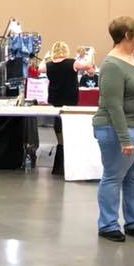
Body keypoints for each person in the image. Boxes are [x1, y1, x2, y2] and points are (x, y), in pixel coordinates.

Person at [92, 16, 134, 242]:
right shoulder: (112, 64)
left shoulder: (131, 59)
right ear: (128, 35)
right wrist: (125, 139)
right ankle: (108, 224)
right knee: (113, 177)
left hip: (133, 127)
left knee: (133, 178)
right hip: (115, 129)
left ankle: (133, 221)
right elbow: (113, 105)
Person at [39, 41, 94, 174]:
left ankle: (60, 146)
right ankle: (67, 151)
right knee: (69, 124)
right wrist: (91, 52)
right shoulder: (72, 62)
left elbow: (40, 68)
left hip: (55, 100)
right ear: (66, 51)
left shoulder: (49, 64)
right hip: (70, 100)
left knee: (58, 124)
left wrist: (46, 57)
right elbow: (89, 66)